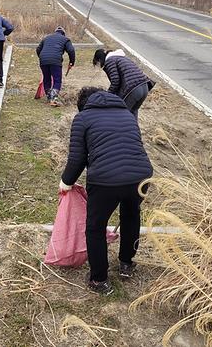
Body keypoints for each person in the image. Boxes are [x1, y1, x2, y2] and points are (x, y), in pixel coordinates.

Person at [59, 87, 153, 295]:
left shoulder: (83, 118)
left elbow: (77, 158)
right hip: (141, 176)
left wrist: (66, 182)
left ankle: (99, 279)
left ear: (84, 104)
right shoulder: (127, 114)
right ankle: (127, 264)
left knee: (95, 226)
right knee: (131, 216)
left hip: (105, 180)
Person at [92, 48, 155, 118]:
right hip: (144, 86)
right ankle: (134, 129)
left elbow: (115, 81)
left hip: (134, 89)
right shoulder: (120, 58)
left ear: (100, 60)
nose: (100, 66)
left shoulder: (109, 61)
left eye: (98, 63)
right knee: (132, 112)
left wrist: (108, 96)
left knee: (121, 115)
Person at [36, 26, 76, 107]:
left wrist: (42, 58)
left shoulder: (46, 38)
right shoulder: (65, 39)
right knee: (57, 80)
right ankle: (53, 98)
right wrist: (72, 62)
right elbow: (71, 50)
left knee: (46, 78)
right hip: (55, 61)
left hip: (43, 60)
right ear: (63, 34)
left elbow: (38, 49)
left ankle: (49, 96)